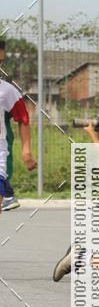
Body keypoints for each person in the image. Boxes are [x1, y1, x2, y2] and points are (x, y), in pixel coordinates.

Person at [0, 79, 36, 215]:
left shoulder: (7, 90)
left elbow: (23, 118)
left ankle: (8, 196)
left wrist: (26, 151)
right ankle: (9, 196)